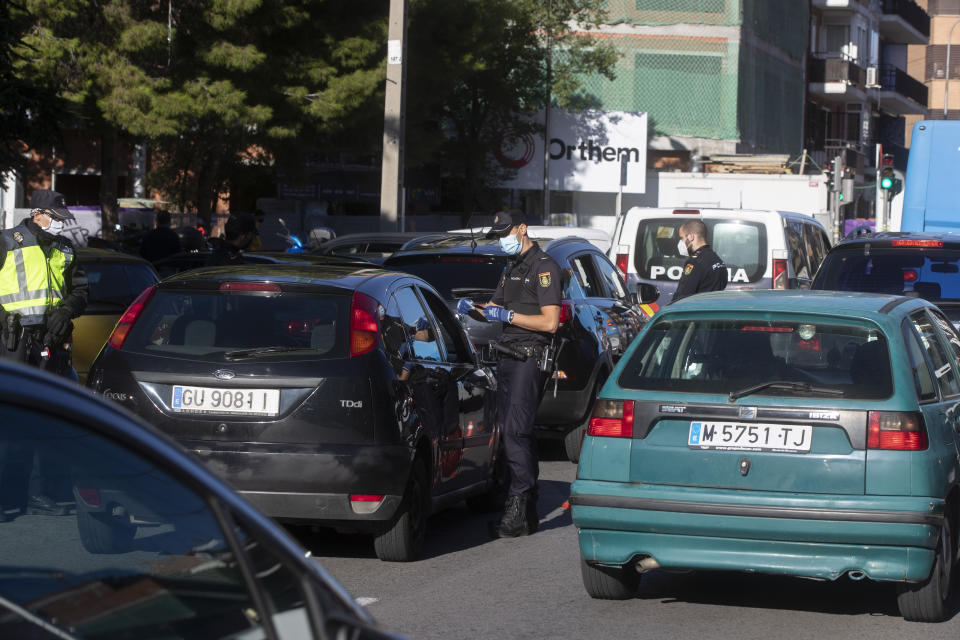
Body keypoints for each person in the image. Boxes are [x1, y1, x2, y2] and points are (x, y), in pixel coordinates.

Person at [458, 211, 561, 537]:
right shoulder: (512, 267)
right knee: (514, 432)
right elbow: (494, 308)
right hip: (506, 357)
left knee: (516, 432)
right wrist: (474, 308)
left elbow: (550, 323)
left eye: (506, 232)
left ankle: (517, 507)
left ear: (522, 229)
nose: (502, 239)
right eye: (498, 234)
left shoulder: (545, 267)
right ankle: (526, 509)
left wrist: (510, 315)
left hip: (528, 358)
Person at [0, 189, 89, 518]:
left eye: (63, 220)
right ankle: (8, 496)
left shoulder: (66, 248)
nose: (60, 226)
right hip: (15, 340)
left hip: (53, 339)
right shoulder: (8, 240)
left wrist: (65, 312)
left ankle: (44, 492)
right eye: (56, 219)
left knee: (50, 416)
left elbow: (81, 290)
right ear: (38, 213)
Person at [671, 219, 727, 303]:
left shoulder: (695, 262)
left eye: (682, 238)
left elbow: (682, 296)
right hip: (713, 311)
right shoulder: (717, 259)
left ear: (691, 237)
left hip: (695, 313)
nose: (680, 242)